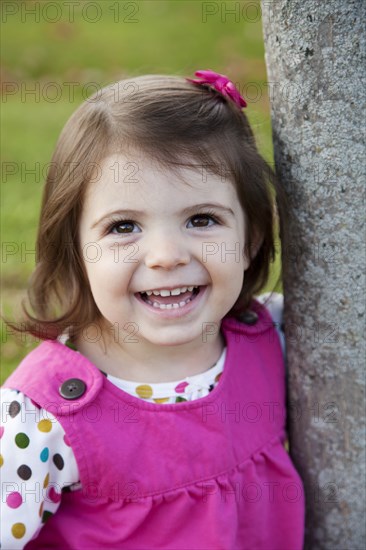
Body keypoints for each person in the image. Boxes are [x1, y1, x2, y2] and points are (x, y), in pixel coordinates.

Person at [1, 70, 305, 549]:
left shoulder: (279, 336)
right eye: (123, 227)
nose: (167, 255)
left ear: (251, 240)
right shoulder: (39, 418)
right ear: (75, 250)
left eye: (202, 219)